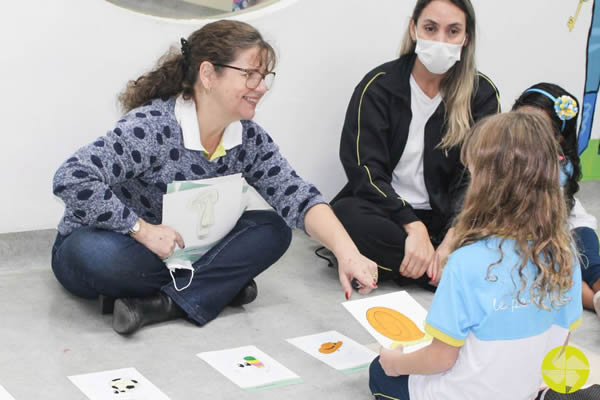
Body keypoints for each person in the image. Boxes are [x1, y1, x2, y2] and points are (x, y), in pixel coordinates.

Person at [51, 20, 377, 336]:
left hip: (184, 252)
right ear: (208, 74)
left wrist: (348, 253)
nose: (261, 88)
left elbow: (296, 196)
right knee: (94, 254)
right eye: (250, 75)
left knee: (273, 230)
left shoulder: (248, 138)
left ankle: (166, 303)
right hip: (121, 246)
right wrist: (143, 231)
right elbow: (72, 177)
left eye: (264, 77)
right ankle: (216, 286)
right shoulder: (152, 127)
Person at [368, 112, 582, 400]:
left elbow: (442, 358)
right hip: (527, 390)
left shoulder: (466, 262)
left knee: (379, 372)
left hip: (462, 393)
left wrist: (394, 364)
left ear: (486, 187)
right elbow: (562, 341)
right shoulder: (564, 254)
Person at [331, 0, 500, 287]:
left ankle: (411, 265)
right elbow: (364, 170)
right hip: (389, 213)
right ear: (413, 29)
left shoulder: (481, 93)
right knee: (344, 216)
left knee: (501, 226)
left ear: (466, 38)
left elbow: (479, 177)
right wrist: (413, 226)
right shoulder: (378, 86)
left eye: (453, 31)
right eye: (430, 28)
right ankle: (441, 274)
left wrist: (453, 236)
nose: (440, 41)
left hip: (450, 217)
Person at [513, 82, 600, 318]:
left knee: (590, 262)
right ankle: (595, 301)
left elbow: (560, 214)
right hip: (528, 233)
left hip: (566, 222)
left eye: (538, 130)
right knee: (555, 271)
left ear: (557, 138)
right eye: (521, 125)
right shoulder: (502, 160)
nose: (526, 136)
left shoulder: (561, 166)